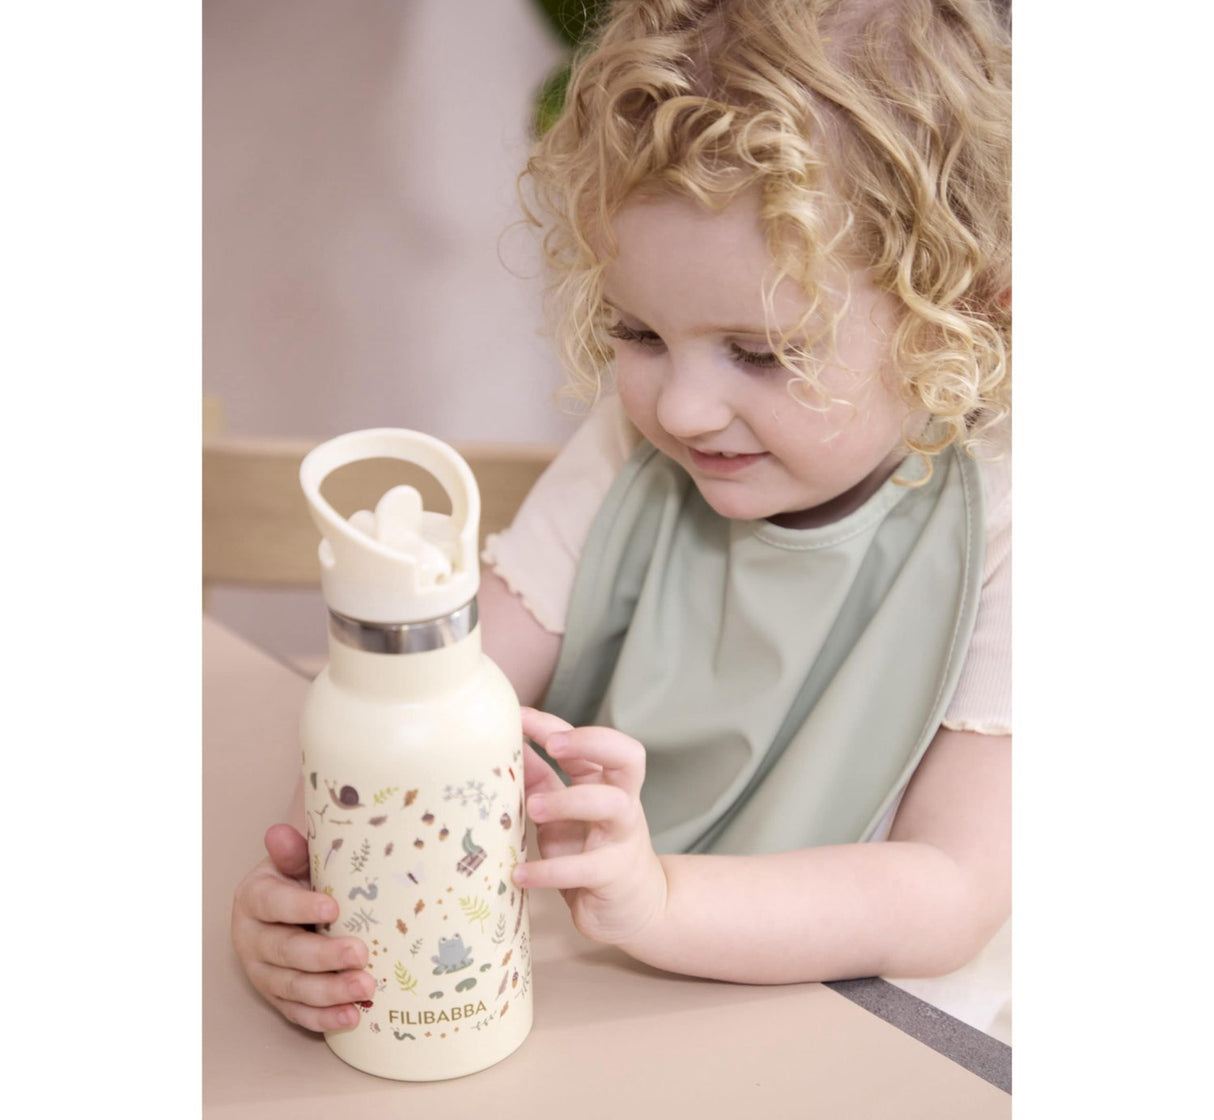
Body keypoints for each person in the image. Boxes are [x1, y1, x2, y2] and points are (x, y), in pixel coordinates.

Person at [231, 0, 1012, 1039]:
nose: (679, 409)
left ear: (962, 310)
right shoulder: (624, 452)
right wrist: (316, 895)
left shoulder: (1008, 529)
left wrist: (661, 899)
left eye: (761, 352)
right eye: (637, 333)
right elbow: (436, 691)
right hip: (604, 997)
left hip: (858, 1022)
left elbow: (948, 890)